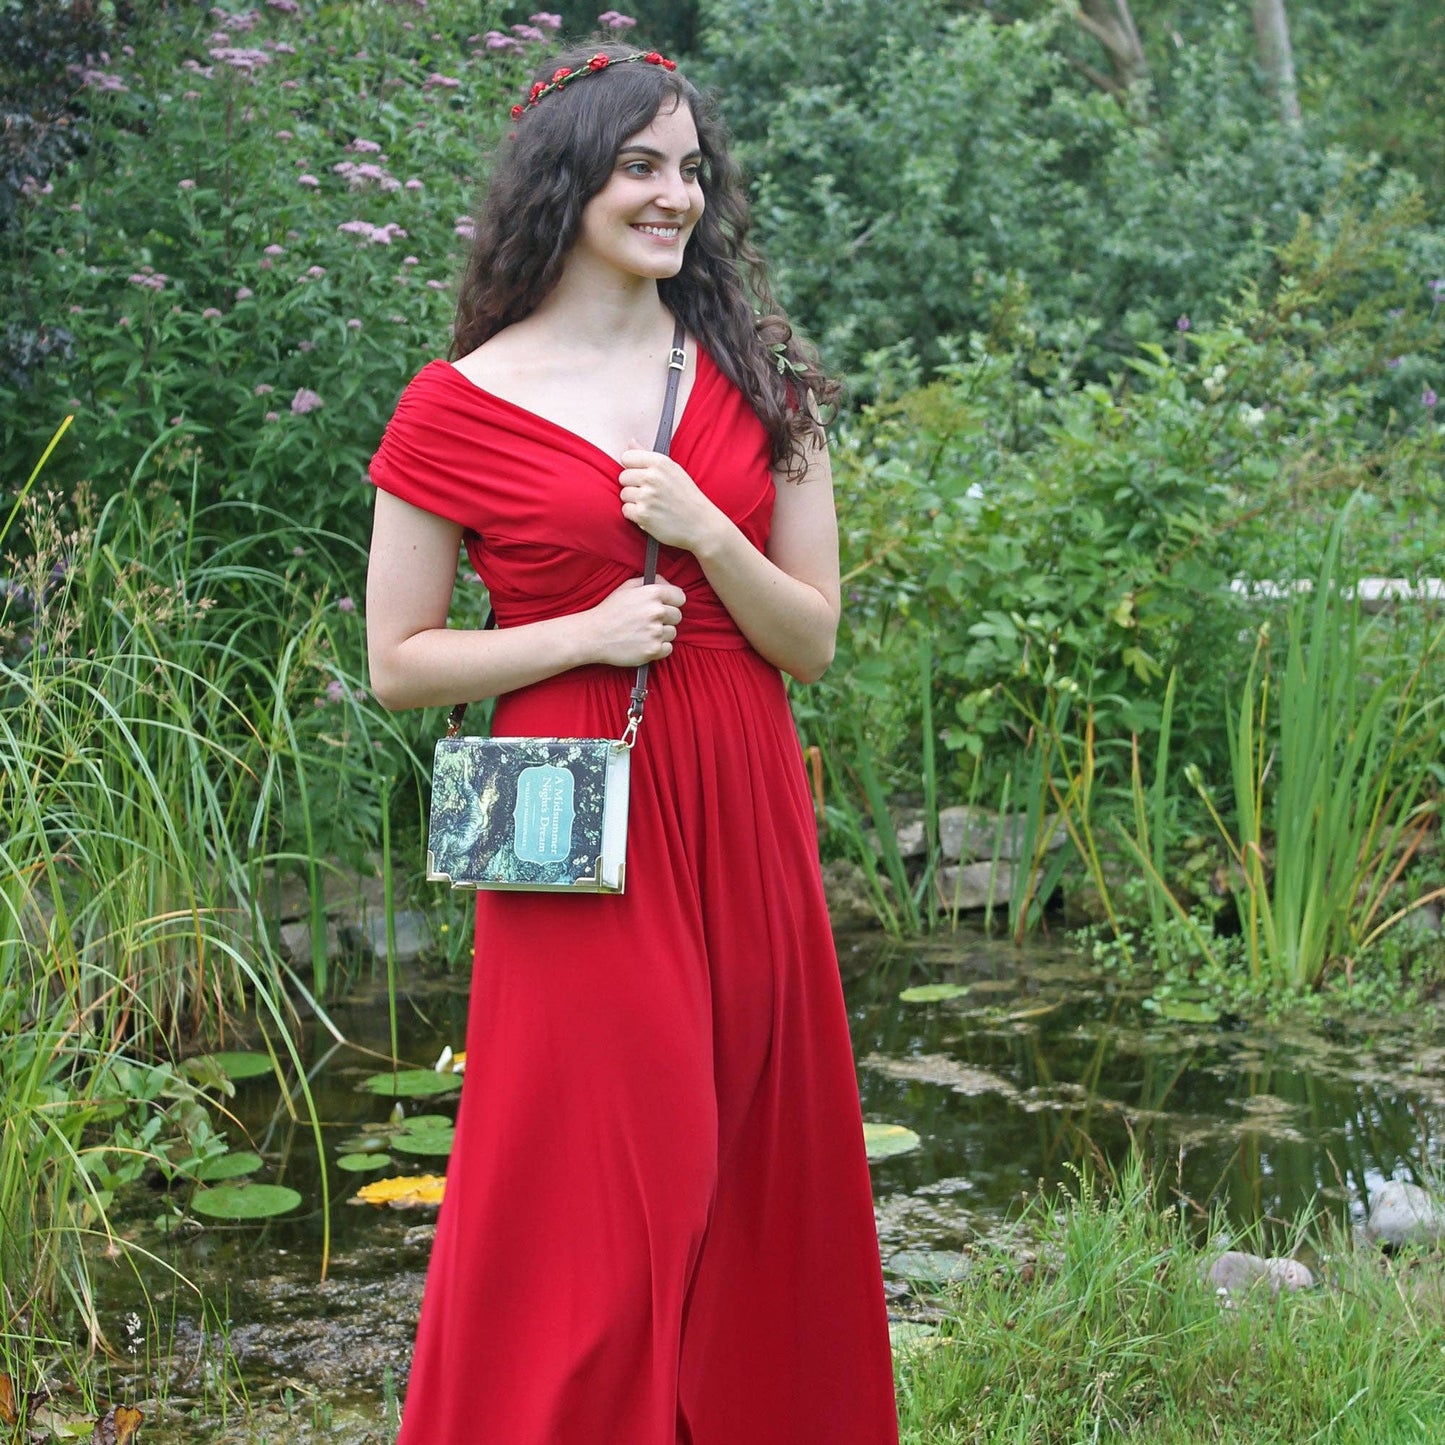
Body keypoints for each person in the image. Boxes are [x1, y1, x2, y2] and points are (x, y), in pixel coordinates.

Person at [364, 38, 900, 1445]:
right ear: (566, 181)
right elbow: (398, 662)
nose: (676, 194)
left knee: (750, 1151)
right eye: (640, 165)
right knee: (600, 1166)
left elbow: (810, 640)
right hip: (565, 802)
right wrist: (582, 633)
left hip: (739, 788)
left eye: (689, 168)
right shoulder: (451, 404)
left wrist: (706, 532)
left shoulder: (758, 372)